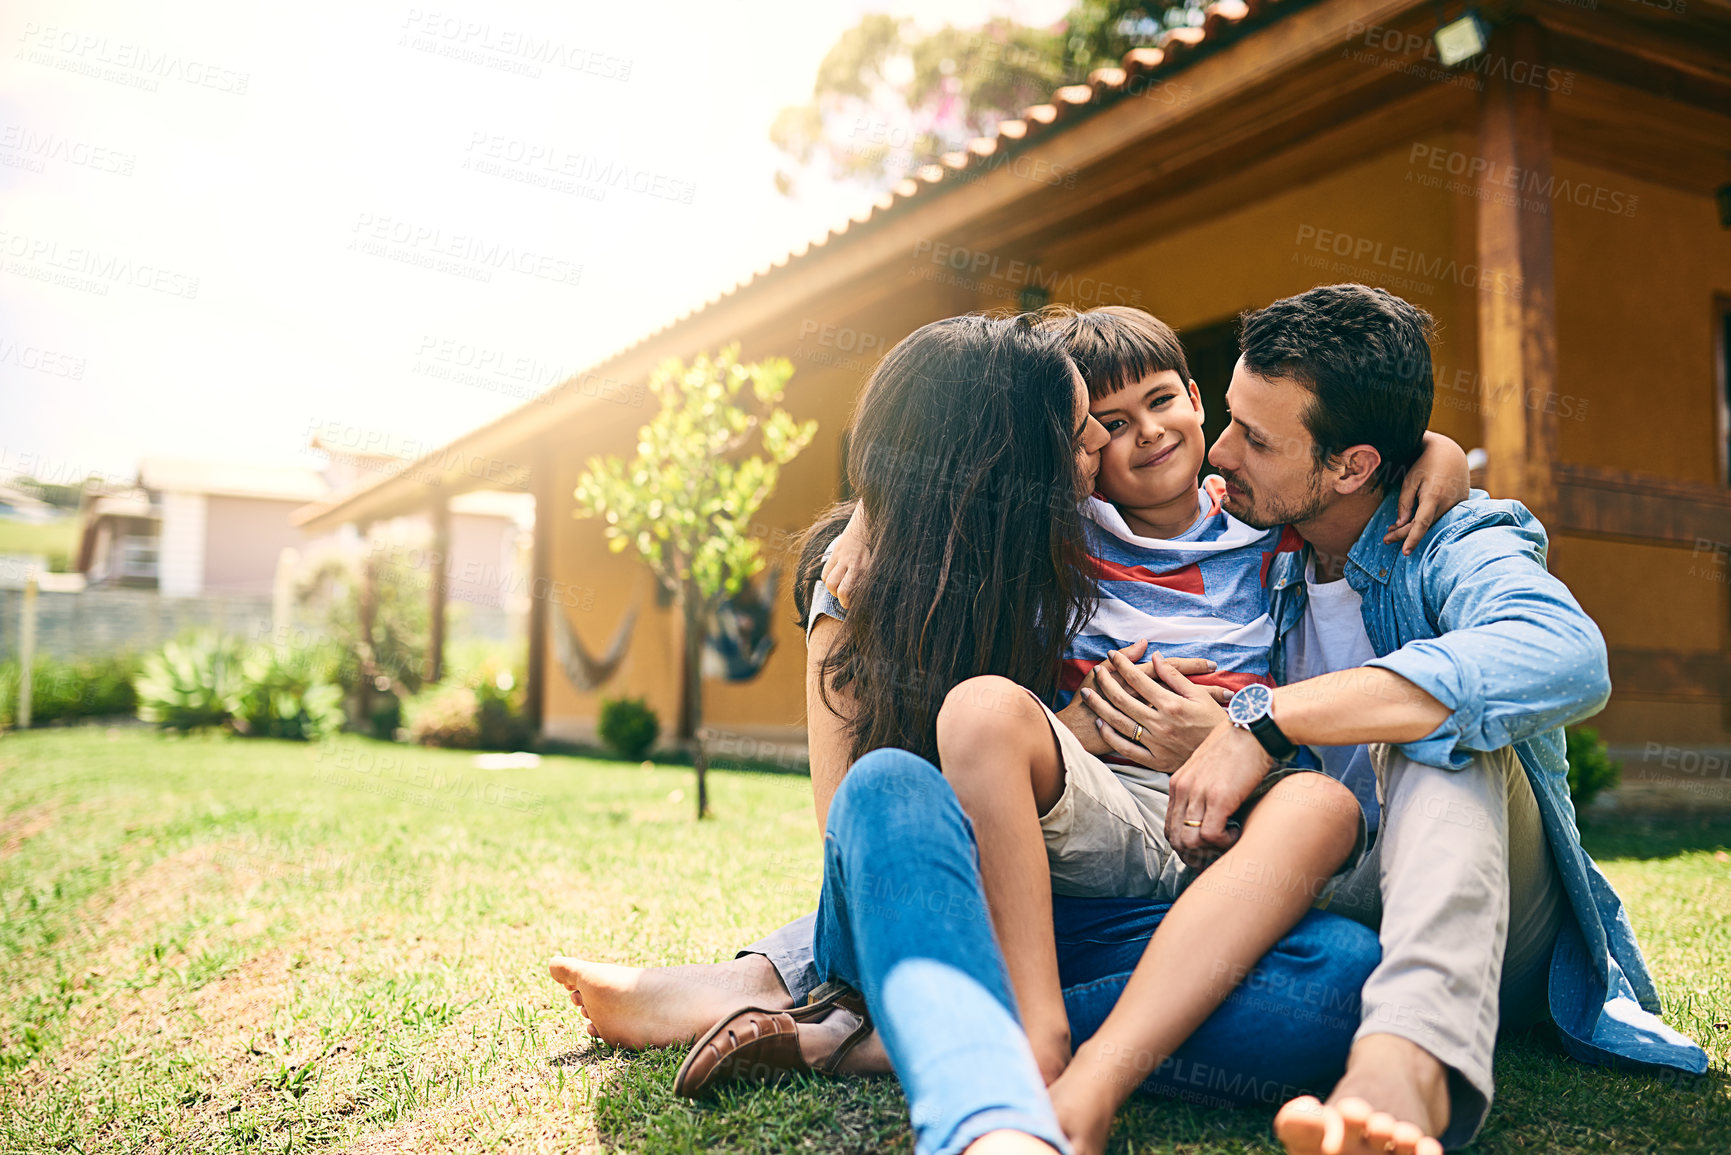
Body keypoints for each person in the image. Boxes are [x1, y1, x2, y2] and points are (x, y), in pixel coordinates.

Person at [1072, 284, 1709, 1154]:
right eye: (1226, 417)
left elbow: (1564, 651)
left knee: (1433, 730)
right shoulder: (1252, 534)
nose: (1216, 452)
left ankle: (1401, 1068)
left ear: (1351, 466)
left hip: (1491, 920)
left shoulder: (1452, 535)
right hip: (1315, 883)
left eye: (1253, 438)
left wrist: (1261, 722)